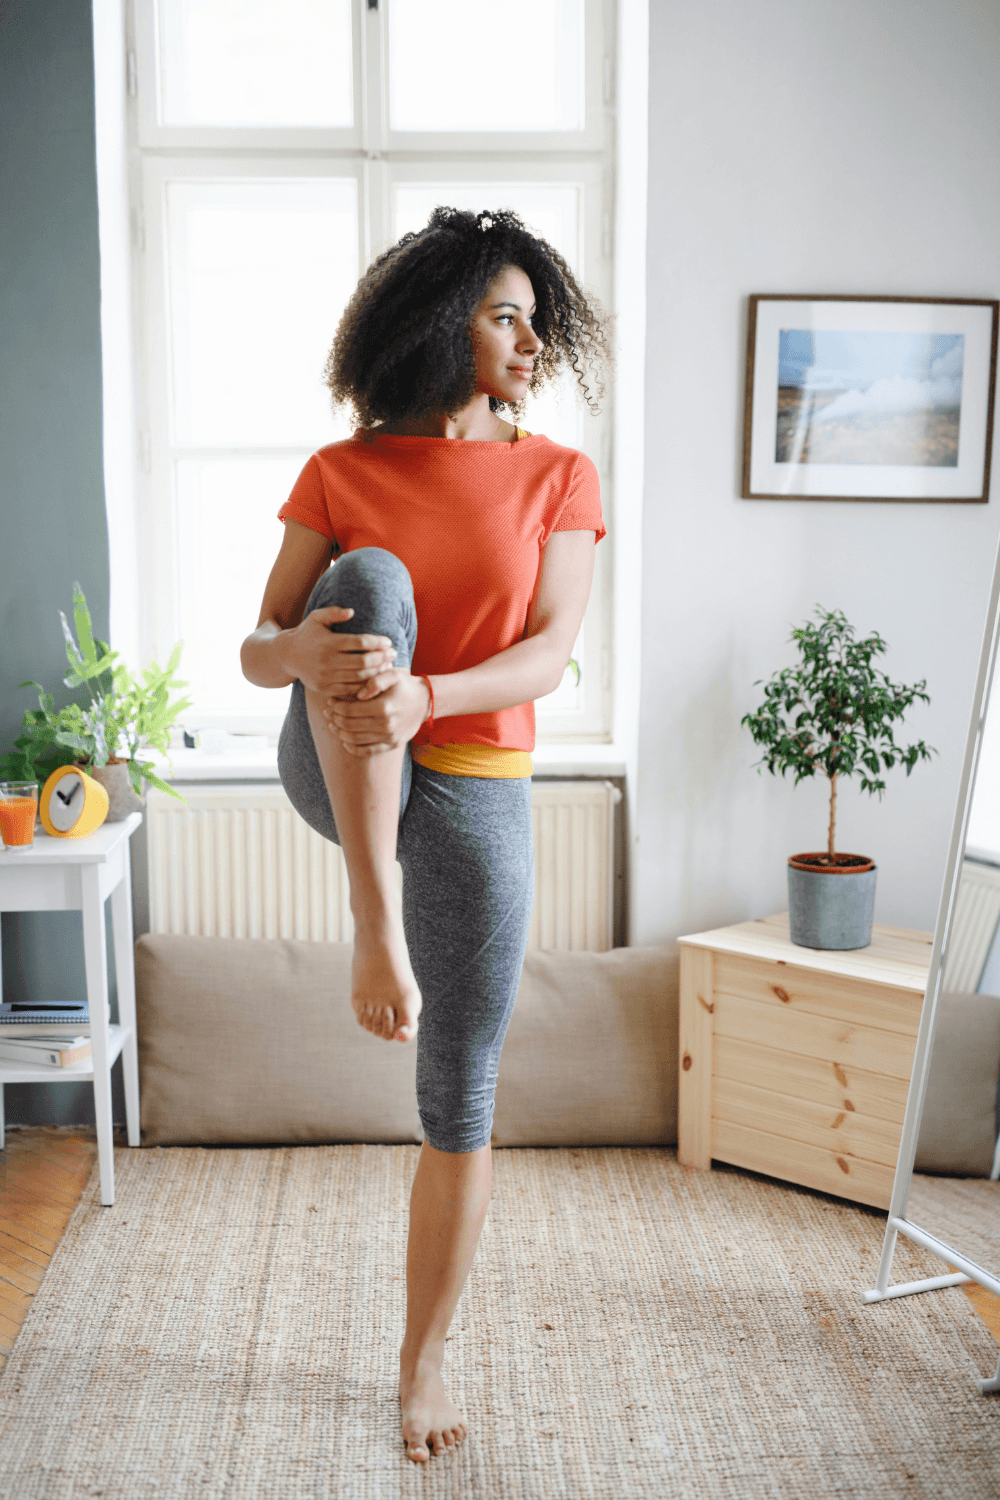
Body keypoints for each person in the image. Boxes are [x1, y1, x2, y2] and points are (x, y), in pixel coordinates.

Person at [240, 206, 610, 1463]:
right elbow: (260, 644)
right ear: (437, 320)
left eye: (535, 318)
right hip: (337, 755)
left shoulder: (558, 473)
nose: (528, 338)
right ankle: (370, 924)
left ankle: (423, 1360)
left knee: (460, 1089)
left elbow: (549, 655)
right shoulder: (344, 469)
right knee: (376, 582)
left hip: (472, 769)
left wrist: (429, 696)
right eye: (504, 313)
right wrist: (305, 655)